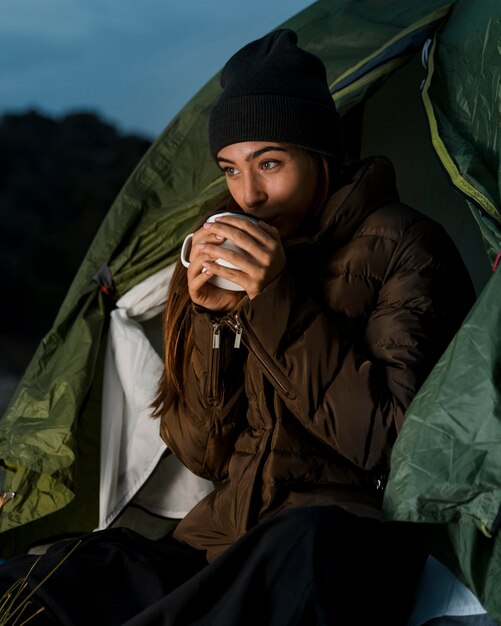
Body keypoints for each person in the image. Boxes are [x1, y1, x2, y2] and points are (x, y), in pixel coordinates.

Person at [0, 28, 475, 626]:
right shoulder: (224, 249)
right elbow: (202, 453)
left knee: (306, 543)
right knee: (56, 573)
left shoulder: (408, 248)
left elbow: (386, 443)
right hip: (221, 538)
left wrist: (274, 299)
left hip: (342, 535)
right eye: (230, 169)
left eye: (270, 164)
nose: (248, 195)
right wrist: (209, 321)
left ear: (322, 157)